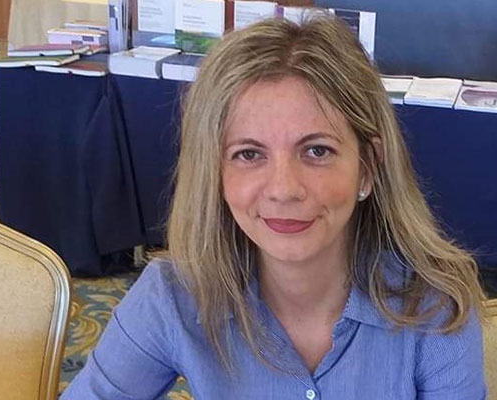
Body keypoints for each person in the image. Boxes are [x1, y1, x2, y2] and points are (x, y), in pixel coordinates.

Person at [62, 15, 487, 399]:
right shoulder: (173, 294)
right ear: (215, 173)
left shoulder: (434, 305)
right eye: (249, 154)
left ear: (368, 168)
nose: (284, 189)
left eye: (317, 151)